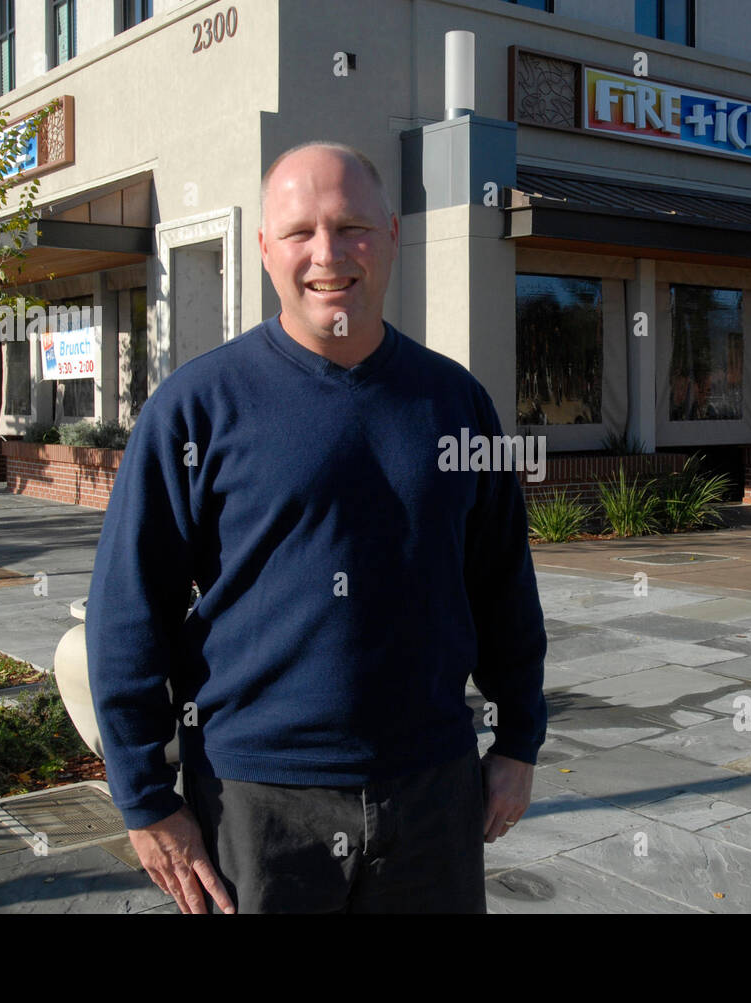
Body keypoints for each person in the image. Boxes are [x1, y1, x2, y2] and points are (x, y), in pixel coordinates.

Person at [85, 142, 548, 914]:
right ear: (264, 249)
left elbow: (503, 584)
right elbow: (128, 609)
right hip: (256, 808)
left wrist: (518, 738)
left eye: (351, 227)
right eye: (300, 232)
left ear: (393, 235)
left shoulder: (455, 404)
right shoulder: (195, 409)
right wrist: (145, 800)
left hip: (431, 791)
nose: (327, 255)